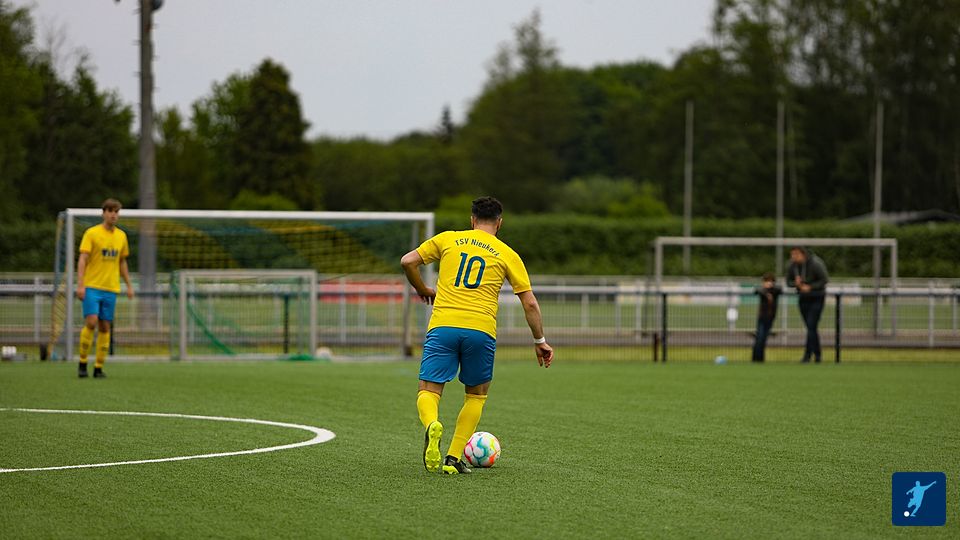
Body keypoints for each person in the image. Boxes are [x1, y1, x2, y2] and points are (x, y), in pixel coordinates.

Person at [400, 196, 553, 475]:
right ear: (499, 223)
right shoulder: (507, 253)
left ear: (472, 220)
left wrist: (422, 289)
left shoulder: (448, 239)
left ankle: (432, 423)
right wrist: (539, 341)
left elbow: (408, 261)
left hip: (443, 326)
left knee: (429, 390)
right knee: (476, 395)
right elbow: (530, 303)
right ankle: (453, 458)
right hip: (481, 331)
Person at [75, 198, 134, 378]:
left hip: (111, 288)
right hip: (92, 286)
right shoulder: (92, 233)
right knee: (91, 321)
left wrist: (129, 285)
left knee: (105, 326)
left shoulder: (121, 236)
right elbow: (83, 259)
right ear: (103, 213)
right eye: (110, 211)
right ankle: (82, 363)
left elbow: (122, 261)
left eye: (116, 212)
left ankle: (98, 367)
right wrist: (80, 284)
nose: (113, 215)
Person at [785, 246, 828, 363]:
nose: (793, 257)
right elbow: (788, 282)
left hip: (817, 297)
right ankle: (814, 355)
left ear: (803, 254)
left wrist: (810, 287)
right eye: (792, 255)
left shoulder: (816, 263)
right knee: (810, 327)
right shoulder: (792, 266)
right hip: (803, 298)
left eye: (796, 254)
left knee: (811, 325)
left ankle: (811, 355)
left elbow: (824, 280)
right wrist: (796, 284)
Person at [751, 272, 782, 362]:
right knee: (760, 337)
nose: (768, 283)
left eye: (770, 281)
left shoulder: (775, 291)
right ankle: (756, 358)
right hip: (762, 317)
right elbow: (756, 291)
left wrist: (770, 290)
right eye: (766, 281)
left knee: (763, 338)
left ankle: (760, 358)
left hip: (771, 317)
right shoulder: (762, 291)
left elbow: (780, 290)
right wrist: (765, 293)